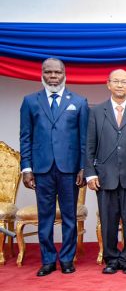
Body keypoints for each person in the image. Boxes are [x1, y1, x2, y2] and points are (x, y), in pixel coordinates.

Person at [19, 58, 89, 276]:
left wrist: (83, 167)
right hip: (42, 170)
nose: (53, 76)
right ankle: (48, 260)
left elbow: (85, 139)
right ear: (42, 74)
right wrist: (26, 168)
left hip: (70, 169)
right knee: (45, 217)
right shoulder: (30, 101)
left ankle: (67, 259)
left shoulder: (79, 102)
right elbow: (25, 137)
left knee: (69, 216)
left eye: (57, 72)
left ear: (64, 74)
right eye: (48, 72)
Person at [86, 69, 126, 274]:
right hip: (104, 176)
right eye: (116, 81)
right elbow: (89, 145)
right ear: (108, 84)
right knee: (108, 220)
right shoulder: (97, 111)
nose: (120, 85)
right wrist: (90, 173)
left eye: (124, 82)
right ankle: (111, 259)